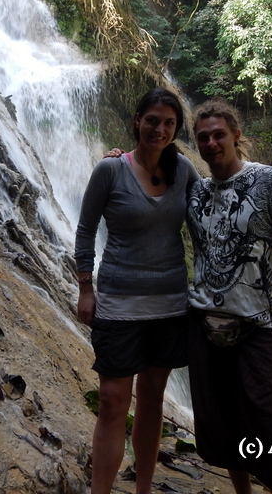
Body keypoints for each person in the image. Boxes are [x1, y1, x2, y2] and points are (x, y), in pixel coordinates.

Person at [185, 97, 272, 494]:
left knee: (271, 421)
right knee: (222, 420)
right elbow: (148, 177)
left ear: (236, 135)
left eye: (219, 135)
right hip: (204, 324)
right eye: (203, 137)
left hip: (258, 324)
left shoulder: (271, 181)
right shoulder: (195, 192)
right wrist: (120, 158)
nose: (211, 143)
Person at [74, 87, 200, 494]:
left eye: (168, 123)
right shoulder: (110, 170)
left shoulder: (184, 171)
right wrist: (85, 288)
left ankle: (143, 489)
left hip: (169, 305)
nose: (159, 129)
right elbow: (85, 230)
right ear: (137, 121)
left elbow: (207, 219)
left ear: (176, 128)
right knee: (113, 400)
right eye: (152, 120)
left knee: (151, 399)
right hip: (117, 303)